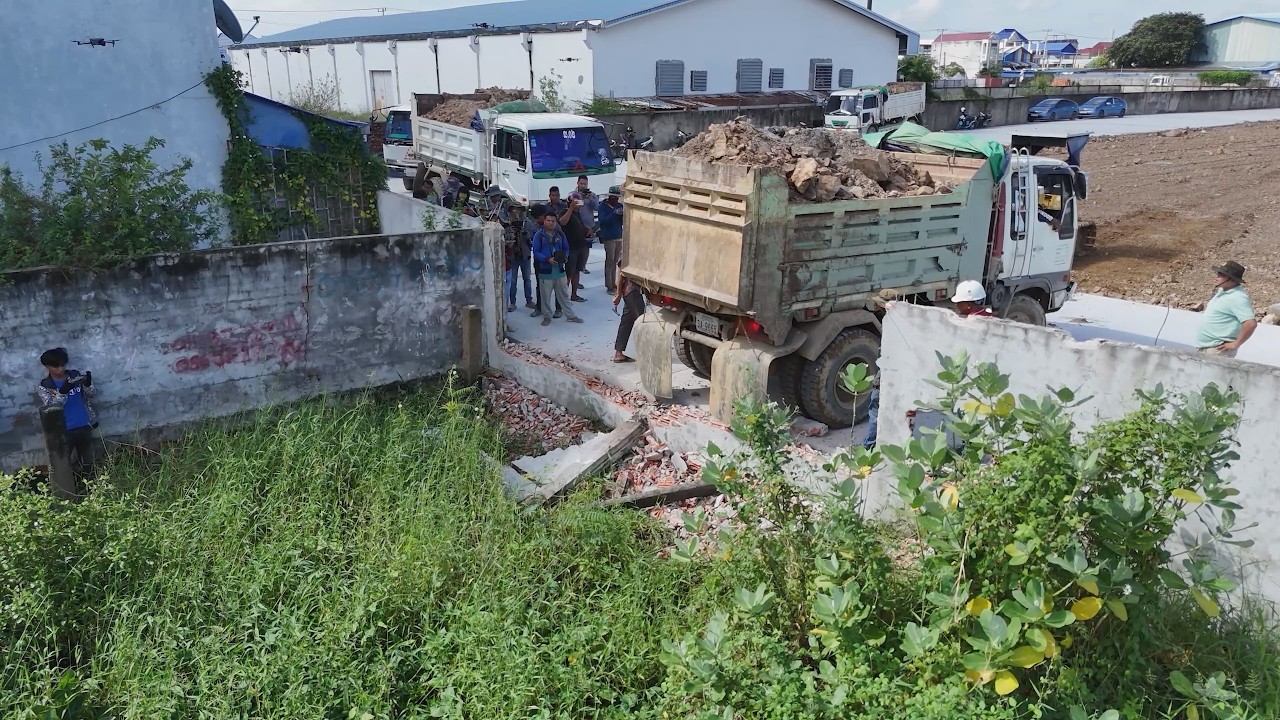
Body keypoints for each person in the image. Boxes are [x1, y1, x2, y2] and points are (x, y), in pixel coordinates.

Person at [36, 348, 99, 478]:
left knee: (89, 462)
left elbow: (92, 394)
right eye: (56, 366)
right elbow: (53, 407)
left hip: (84, 424)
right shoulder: (45, 386)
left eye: (63, 364)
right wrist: (63, 392)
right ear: (47, 367)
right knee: (63, 465)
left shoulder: (75, 376)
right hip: (63, 430)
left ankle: (91, 488)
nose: (61, 369)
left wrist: (87, 384)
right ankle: (69, 491)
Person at [1195, 260, 1256, 358]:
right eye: (1217, 273)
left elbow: (1250, 323)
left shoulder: (1238, 297)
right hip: (1207, 349)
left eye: (1221, 275)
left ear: (1232, 279)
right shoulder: (1222, 292)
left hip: (1217, 350)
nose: (1216, 277)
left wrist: (1236, 344)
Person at [531, 213, 583, 327]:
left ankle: (571, 315)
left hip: (559, 270)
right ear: (544, 221)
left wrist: (564, 257)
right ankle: (547, 317)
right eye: (548, 221)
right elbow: (536, 252)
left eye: (553, 221)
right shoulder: (539, 235)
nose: (551, 223)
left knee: (564, 294)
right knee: (545, 296)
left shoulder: (560, 234)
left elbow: (566, 248)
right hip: (545, 271)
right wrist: (547, 259)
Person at [525, 205, 563, 319]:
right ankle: (540, 307)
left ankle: (559, 309)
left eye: (538, 217)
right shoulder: (535, 227)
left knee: (558, 285)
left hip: (555, 260)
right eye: (535, 218)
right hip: (541, 261)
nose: (537, 220)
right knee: (540, 285)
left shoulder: (555, 226)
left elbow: (561, 242)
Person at [558, 191, 590, 303]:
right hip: (570, 248)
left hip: (580, 246)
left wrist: (587, 230)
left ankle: (574, 294)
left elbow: (580, 226)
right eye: (576, 203)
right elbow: (562, 222)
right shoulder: (565, 212)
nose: (578, 205)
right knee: (568, 273)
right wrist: (570, 209)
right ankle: (563, 297)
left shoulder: (578, 214)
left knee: (576, 271)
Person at [612, 262, 645, 363]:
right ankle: (646, 353)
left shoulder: (632, 251)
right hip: (631, 292)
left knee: (626, 322)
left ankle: (619, 353)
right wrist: (618, 294)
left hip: (631, 291)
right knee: (642, 322)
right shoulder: (628, 252)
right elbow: (621, 274)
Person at [570, 175, 599, 275]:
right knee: (577, 246)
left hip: (588, 225)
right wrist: (580, 198)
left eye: (585, 184)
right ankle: (577, 266)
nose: (583, 186)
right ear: (577, 183)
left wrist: (590, 199)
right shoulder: (573, 195)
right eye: (581, 183)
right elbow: (571, 206)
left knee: (586, 247)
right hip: (576, 225)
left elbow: (597, 208)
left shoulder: (592, 194)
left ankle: (583, 266)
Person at [598, 186, 625, 294]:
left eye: (617, 198)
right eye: (614, 197)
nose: (616, 200)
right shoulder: (602, 206)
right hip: (609, 237)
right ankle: (609, 285)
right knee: (609, 262)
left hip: (618, 236)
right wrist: (614, 214)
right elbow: (603, 221)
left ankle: (614, 283)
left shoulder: (619, 205)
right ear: (609, 196)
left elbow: (622, 222)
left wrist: (622, 215)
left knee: (616, 262)